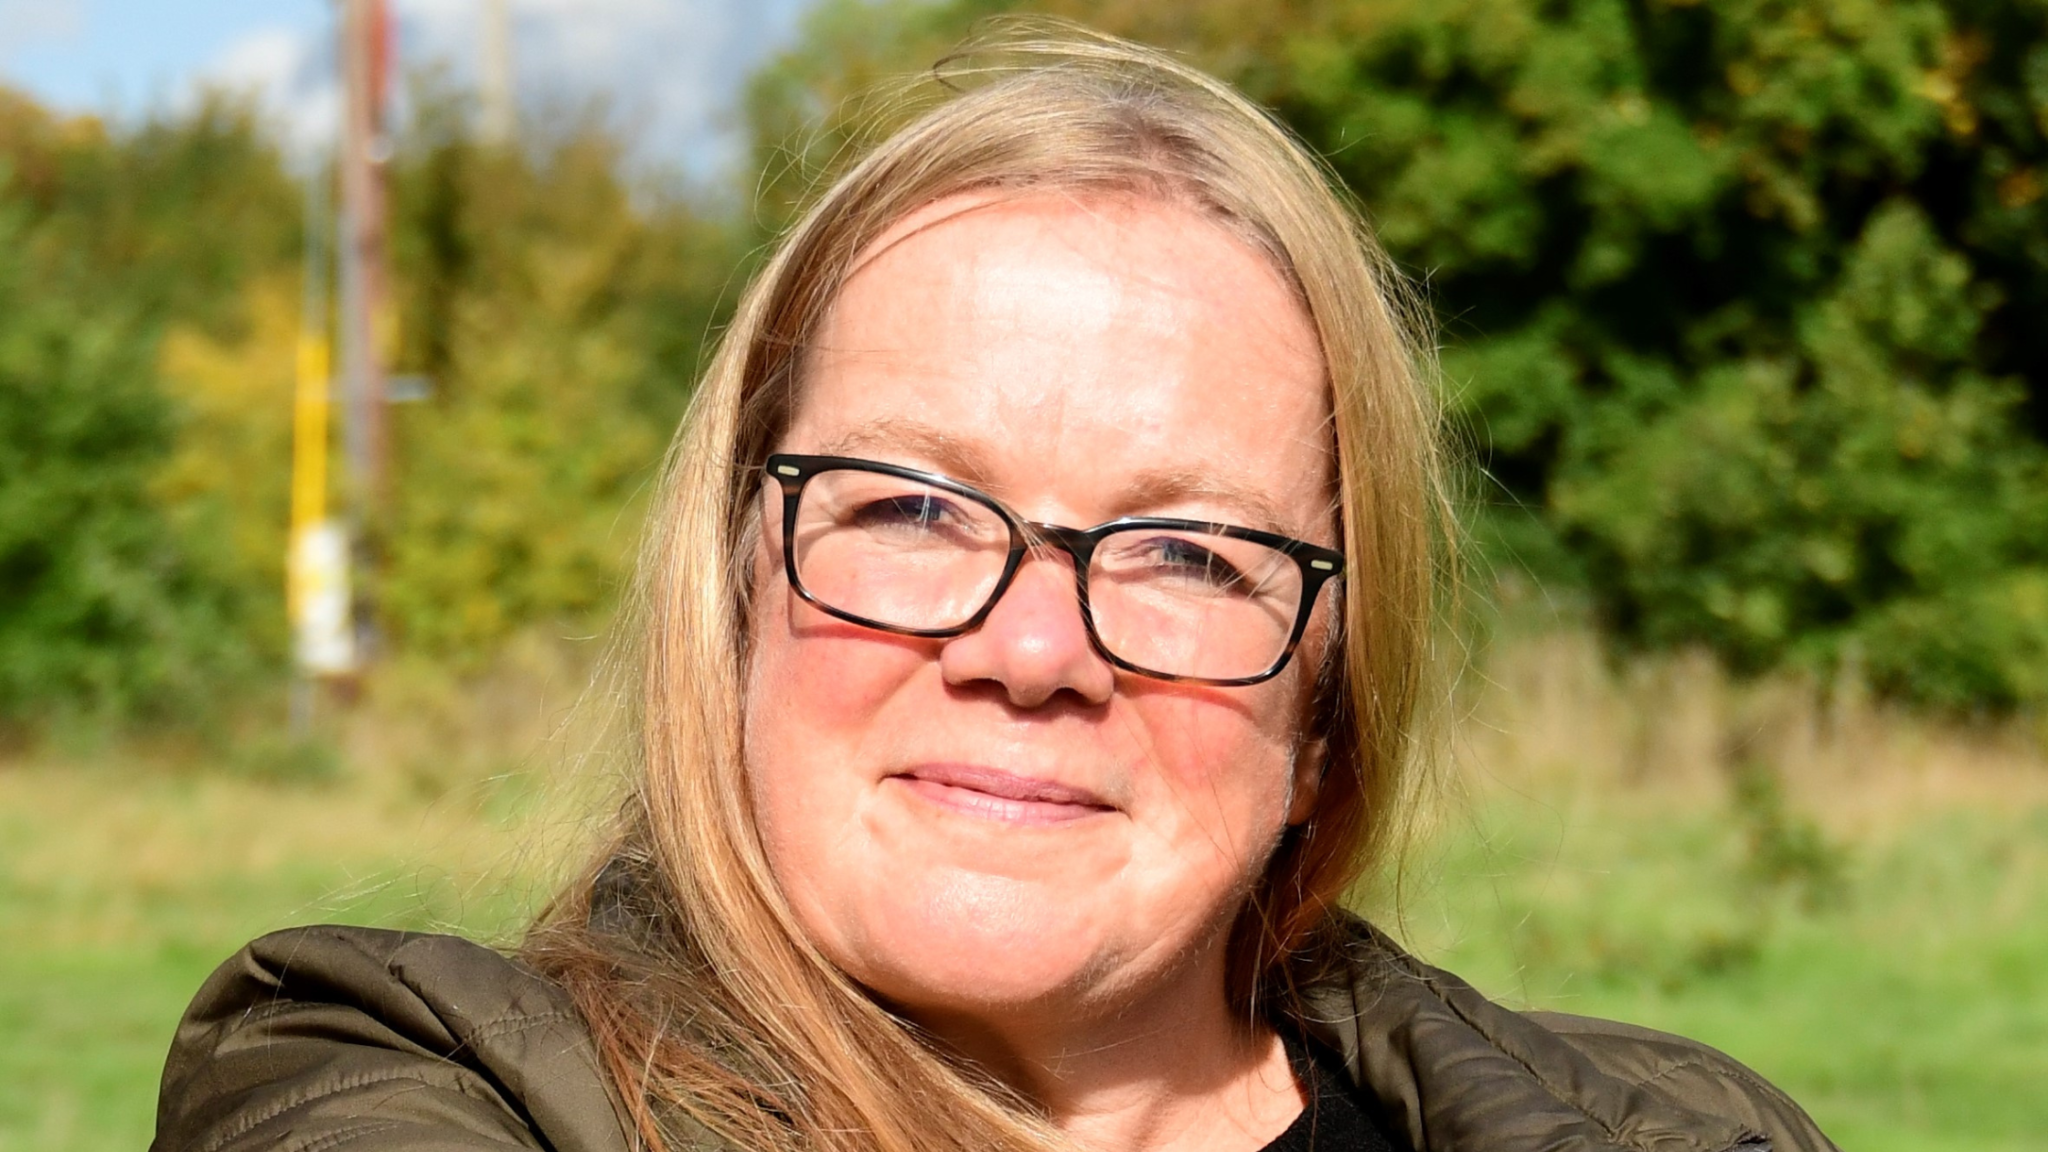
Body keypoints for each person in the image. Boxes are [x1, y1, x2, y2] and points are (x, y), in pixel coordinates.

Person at [151, 27, 1838, 1152]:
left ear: (1326, 702)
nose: (1031, 650)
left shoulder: (1674, 1122)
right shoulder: (409, 1075)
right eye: (913, 512)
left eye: (1188, 552)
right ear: (733, 593)